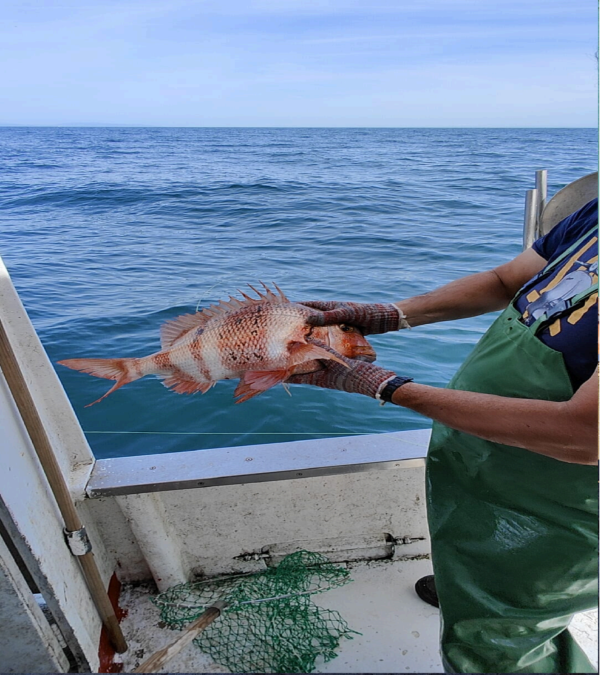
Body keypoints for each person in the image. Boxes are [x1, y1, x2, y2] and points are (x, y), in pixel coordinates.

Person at [289, 197, 599, 674]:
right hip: (486, 446)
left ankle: (497, 621)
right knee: (469, 541)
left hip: (572, 495)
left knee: (502, 642)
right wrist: (391, 313)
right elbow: (506, 280)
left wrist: (387, 387)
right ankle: (470, 587)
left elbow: (584, 434)